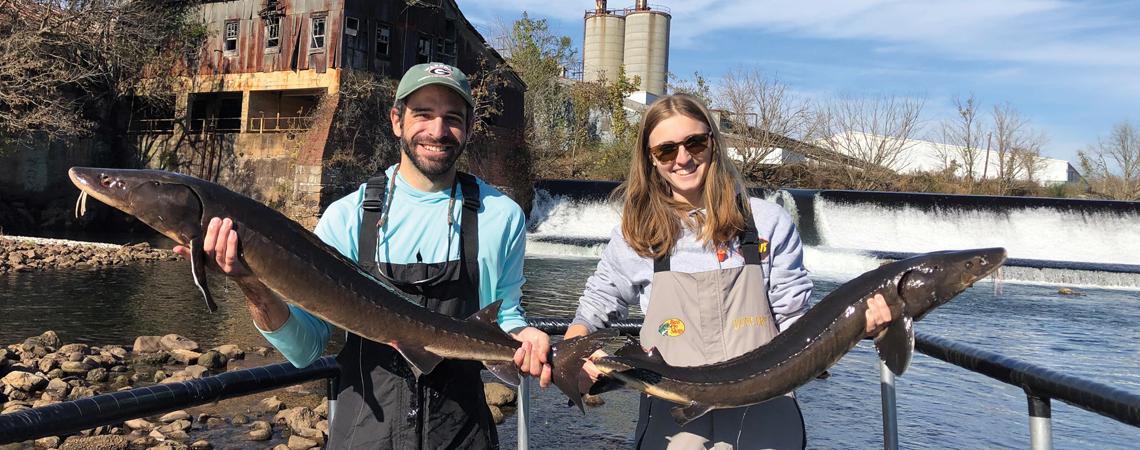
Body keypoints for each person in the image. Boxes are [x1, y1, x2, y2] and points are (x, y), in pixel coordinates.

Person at [175, 62, 551, 449]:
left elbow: (505, 317)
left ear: (469, 128)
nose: (437, 131)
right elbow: (306, 350)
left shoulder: (501, 216)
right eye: (423, 114)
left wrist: (527, 337)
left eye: (452, 118)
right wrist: (250, 283)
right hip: (364, 435)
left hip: (463, 436)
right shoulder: (348, 216)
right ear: (397, 121)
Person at [563, 94, 892, 449]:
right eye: (666, 150)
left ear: (713, 145)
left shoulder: (768, 223)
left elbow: (795, 323)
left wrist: (852, 328)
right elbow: (596, 307)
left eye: (694, 143)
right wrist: (574, 356)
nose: (683, 158)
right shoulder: (636, 234)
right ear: (651, 160)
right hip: (673, 423)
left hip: (767, 421)